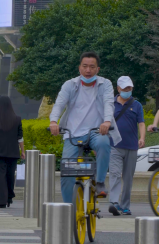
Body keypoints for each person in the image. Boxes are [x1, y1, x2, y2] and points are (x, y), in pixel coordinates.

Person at [49, 51, 119, 204]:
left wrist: (107, 121)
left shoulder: (105, 84)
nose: (88, 70)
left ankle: (100, 181)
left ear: (97, 69)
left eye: (92, 67)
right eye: (85, 66)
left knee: (103, 143)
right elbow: (59, 103)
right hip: (72, 133)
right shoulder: (70, 85)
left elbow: (109, 103)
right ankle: (68, 207)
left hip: (95, 132)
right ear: (79, 68)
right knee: (67, 172)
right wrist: (54, 121)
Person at [108, 76, 145, 216]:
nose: (127, 90)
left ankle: (125, 206)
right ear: (118, 89)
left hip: (131, 146)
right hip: (114, 145)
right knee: (115, 174)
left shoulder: (137, 105)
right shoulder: (110, 104)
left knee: (128, 178)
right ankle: (114, 202)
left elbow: (141, 123)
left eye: (129, 88)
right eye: (124, 88)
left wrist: (142, 138)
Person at [0, 96, 24, 208]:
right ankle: (9, 197)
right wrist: (22, 151)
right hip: (13, 152)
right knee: (10, 175)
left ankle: (1, 201)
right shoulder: (17, 119)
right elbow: (20, 138)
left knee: (0, 176)